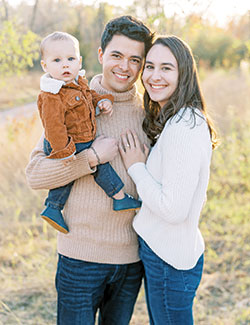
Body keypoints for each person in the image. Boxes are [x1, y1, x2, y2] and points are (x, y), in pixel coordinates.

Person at [26, 16, 154, 325]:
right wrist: (91, 157)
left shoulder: (150, 115)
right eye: (116, 56)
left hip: (130, 261)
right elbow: (36, 174)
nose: (124, 66)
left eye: (135, 59)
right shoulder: (71, 102)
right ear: (99, 56)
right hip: (79, 259)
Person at [119, 35, 218, 324]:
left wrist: (136, 167)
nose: (154, 76)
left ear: (183, 74)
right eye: (149, 66)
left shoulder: (183, 127)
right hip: (167, 253)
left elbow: (174, 210)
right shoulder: (180, 119)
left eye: (166, 68)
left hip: (169, 260)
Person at [38, 31, 142, 234]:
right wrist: (65, 152)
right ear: (45, 66)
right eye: (57, 60)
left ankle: (53, 207)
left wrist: (102, 101)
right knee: (100, 164)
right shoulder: (52, 94)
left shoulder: (77, 83)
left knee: (79, 174)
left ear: (79, 60)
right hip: (68, 143)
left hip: (80, 139)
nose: (65, 65)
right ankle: (119, 197)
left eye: (70, 59)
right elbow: (53, 126)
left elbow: (89, 96)